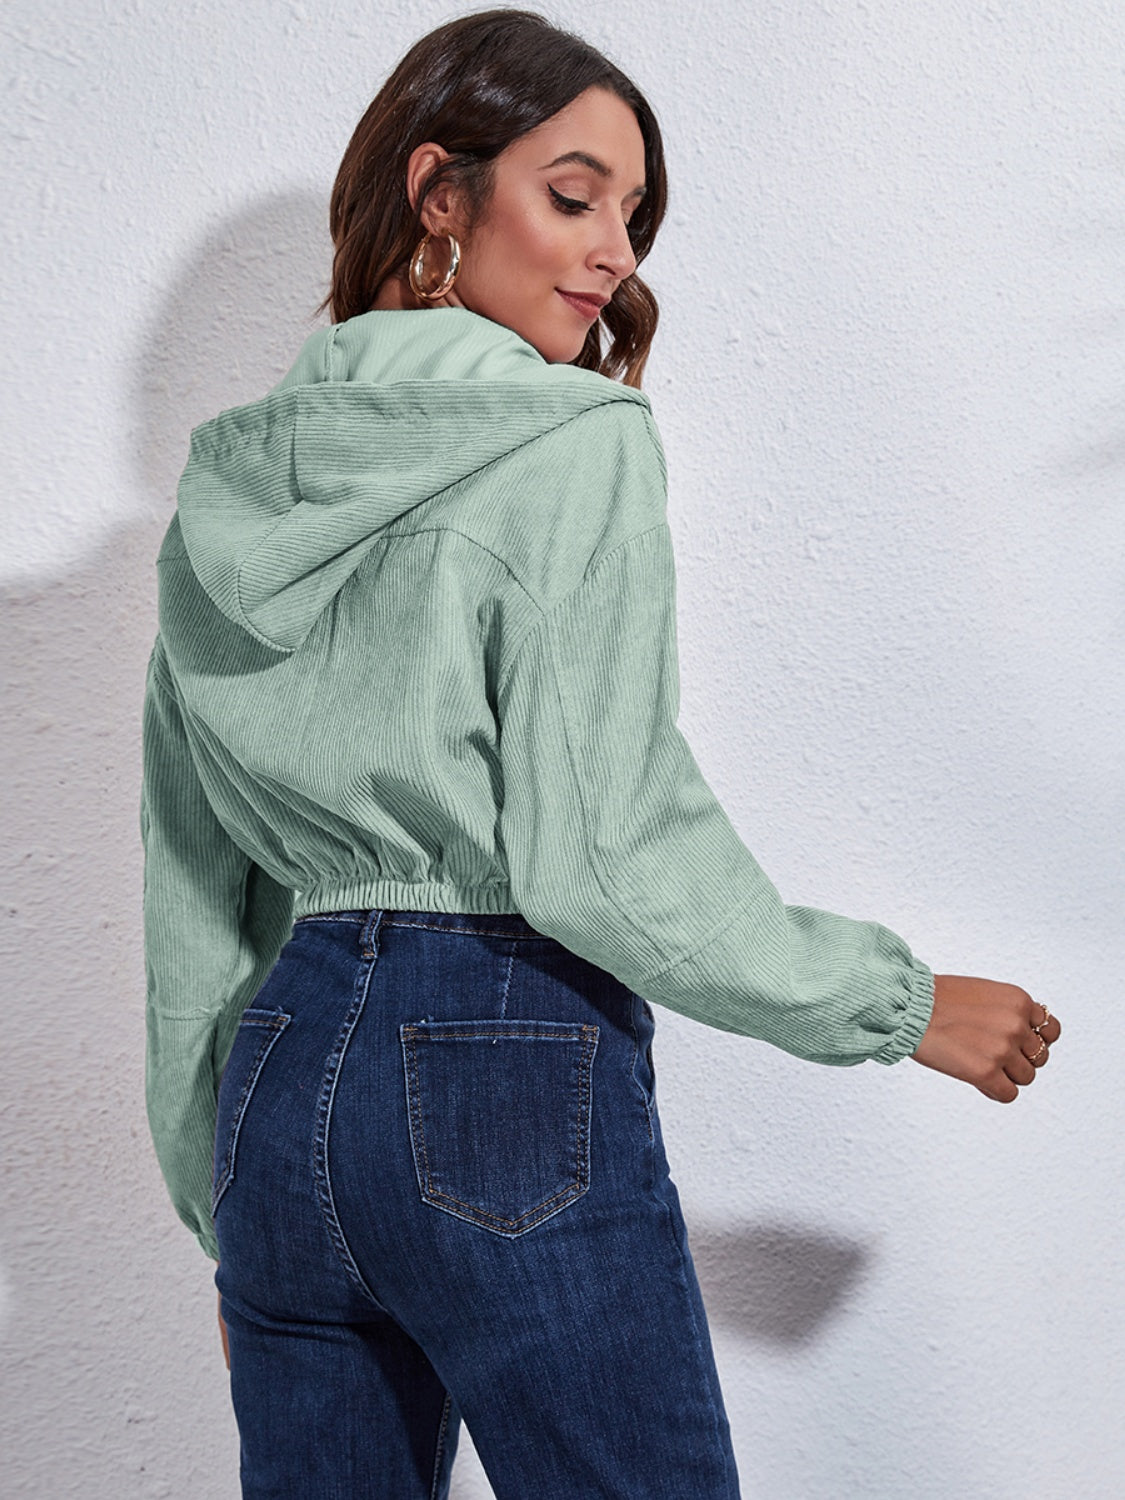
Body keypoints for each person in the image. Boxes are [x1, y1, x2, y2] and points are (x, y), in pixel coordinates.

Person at [139, 9, 1062, 1498]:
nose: (615, 253)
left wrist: (226, 1187)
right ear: (439, 193)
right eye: (574, 197)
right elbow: (607, 854)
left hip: (274, 1084)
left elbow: (193, 882)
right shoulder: (571, 444)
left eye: (631, 216)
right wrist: (894, 1003)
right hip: (498, 1051)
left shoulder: (223, 495)